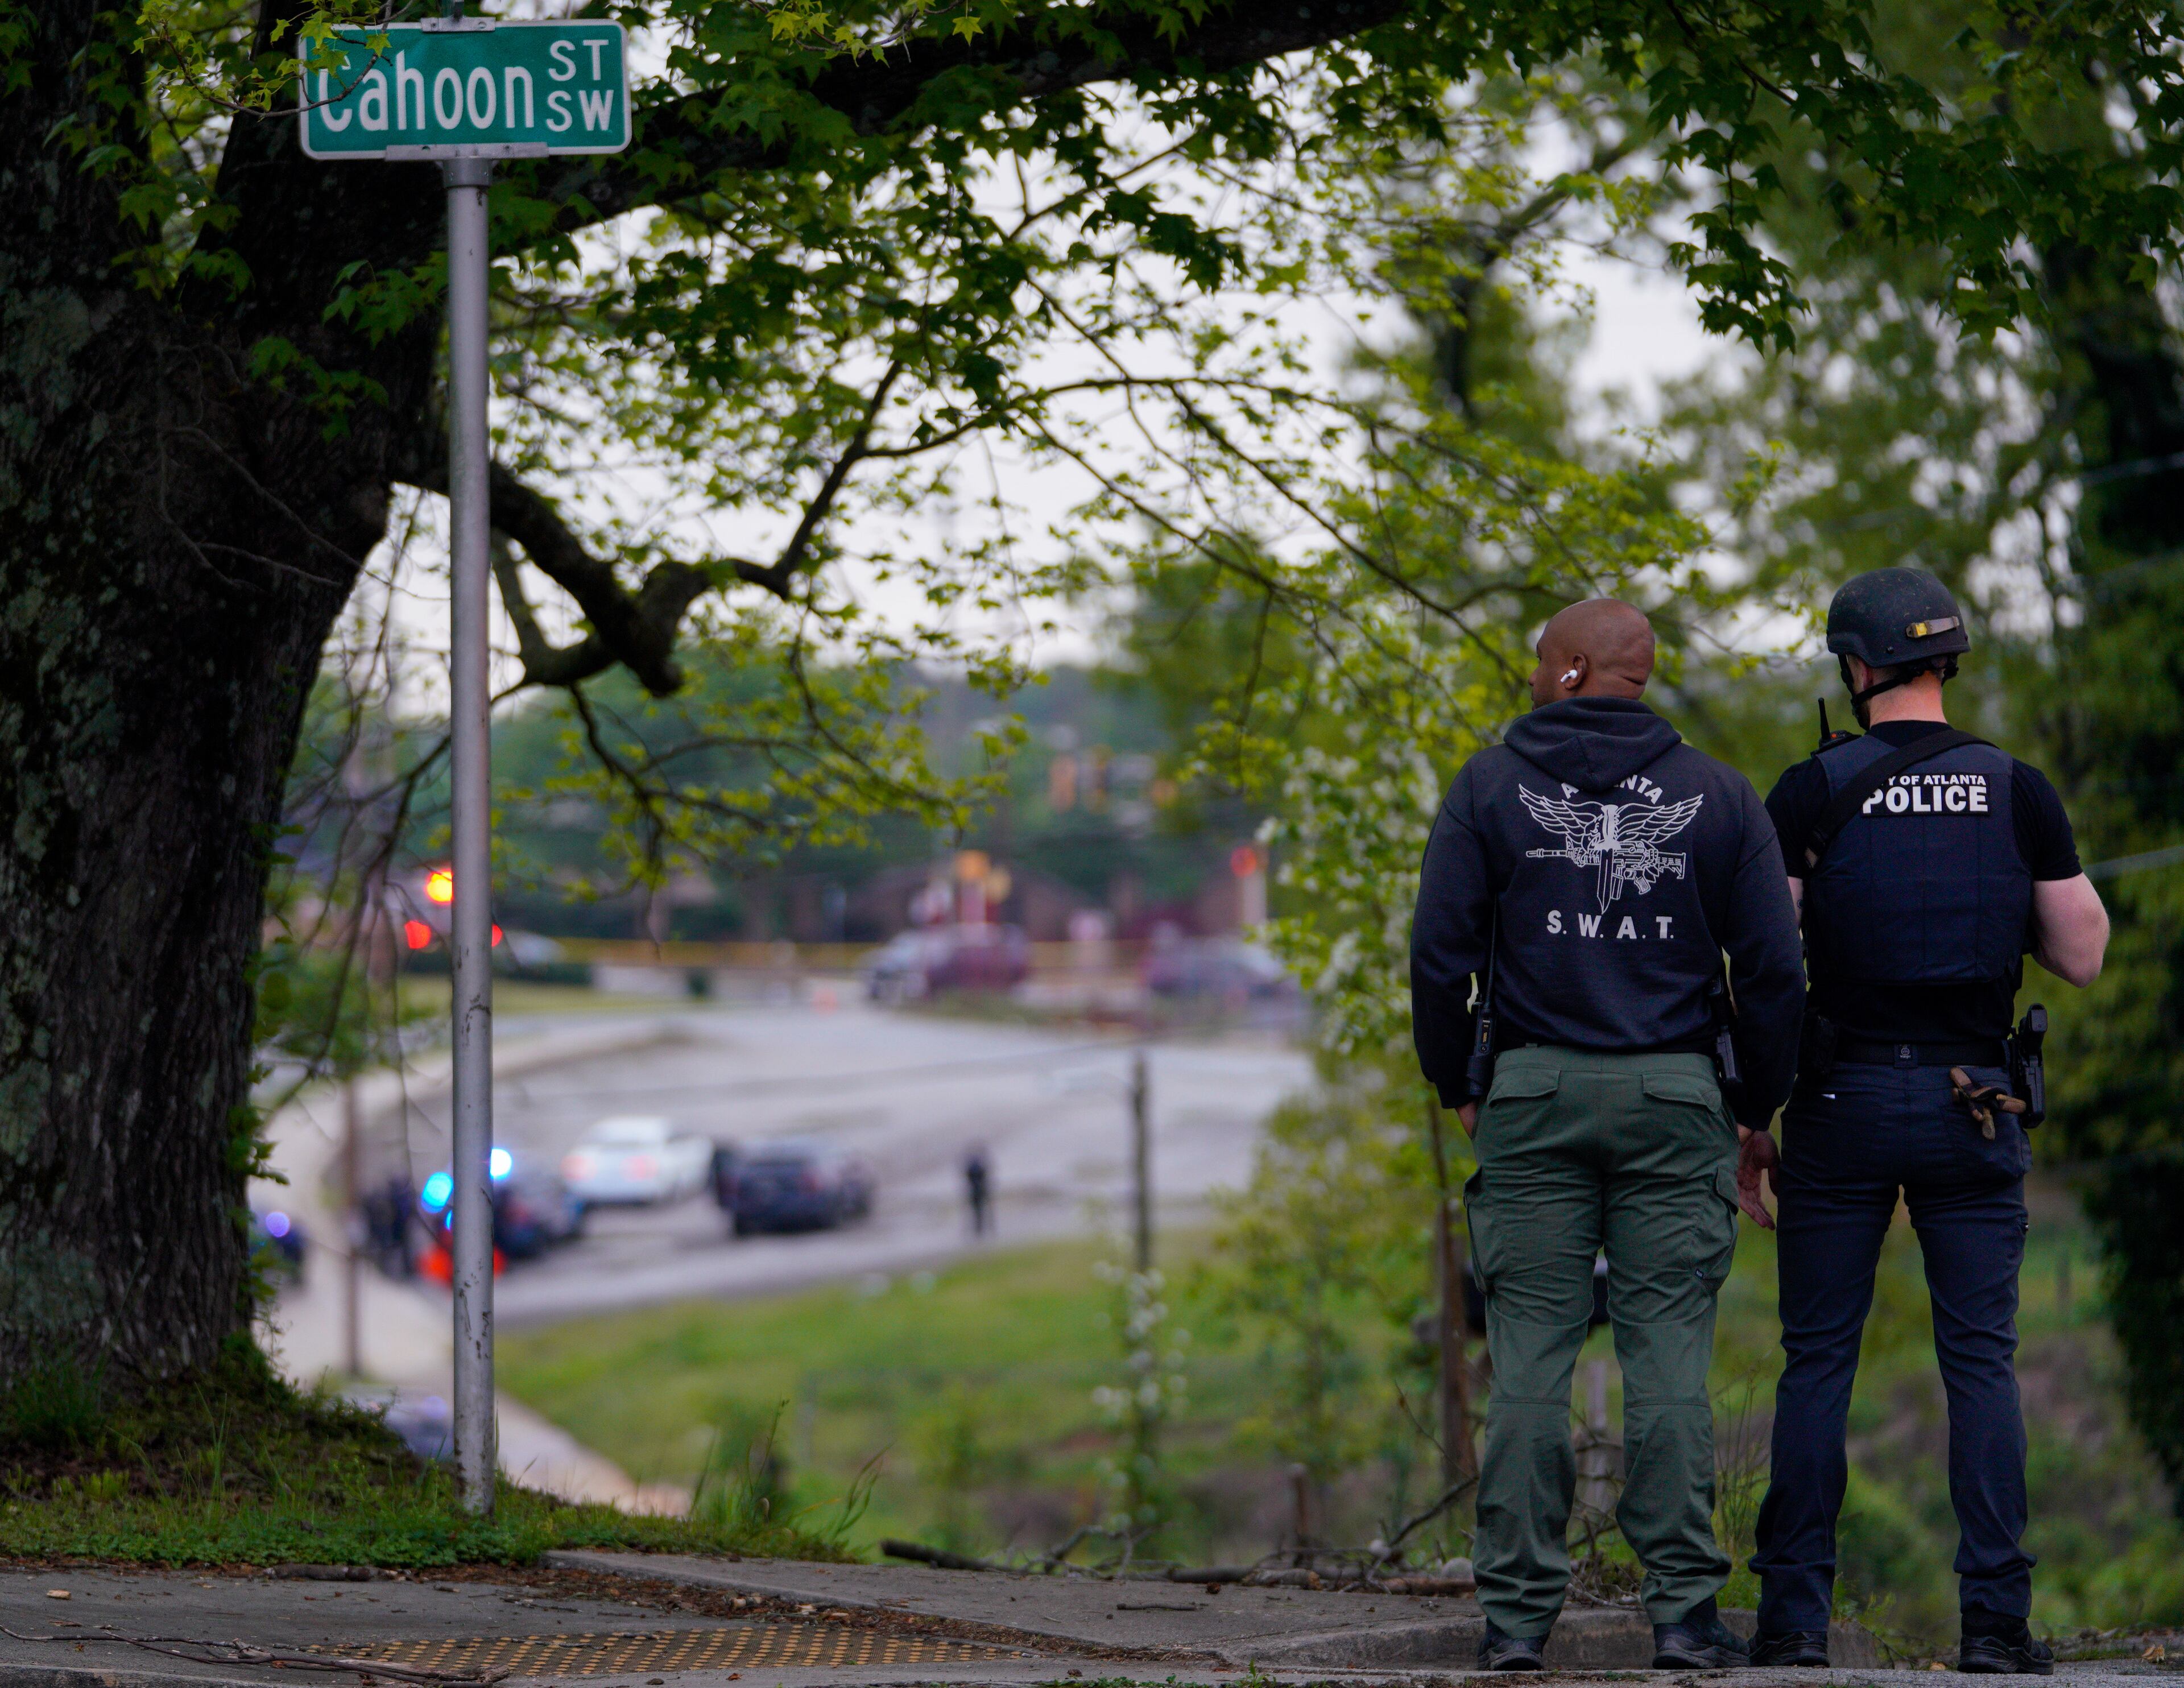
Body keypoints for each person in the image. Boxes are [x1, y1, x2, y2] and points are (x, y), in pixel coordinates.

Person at [1412, 600, 1805, 1672]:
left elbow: (1440, 955)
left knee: (1530, 1356)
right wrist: (1753, 1110)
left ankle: (1513, 1626)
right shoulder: (1719, 795)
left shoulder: (1489, 788)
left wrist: (1458, 1079)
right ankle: (1681, 1617)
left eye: (1543, 661)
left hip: (1533, 1094)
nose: (1534, 676)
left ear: (1577, 668)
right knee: (1668, 1357)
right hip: (1678, 1100)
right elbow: (1772, 970)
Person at [1745, 568, 2109, 1676]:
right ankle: (1996, 1625)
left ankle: (1795, 1623)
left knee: (1816, 1361)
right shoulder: (2016, 787)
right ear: (1944, 660)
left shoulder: (1810, 791)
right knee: (1982, 1364)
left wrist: (1754, 1122)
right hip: (1974, 1103)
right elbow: (2084, 949)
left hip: (1843, 1101)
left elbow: (1767, 967)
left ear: (1857, 668)